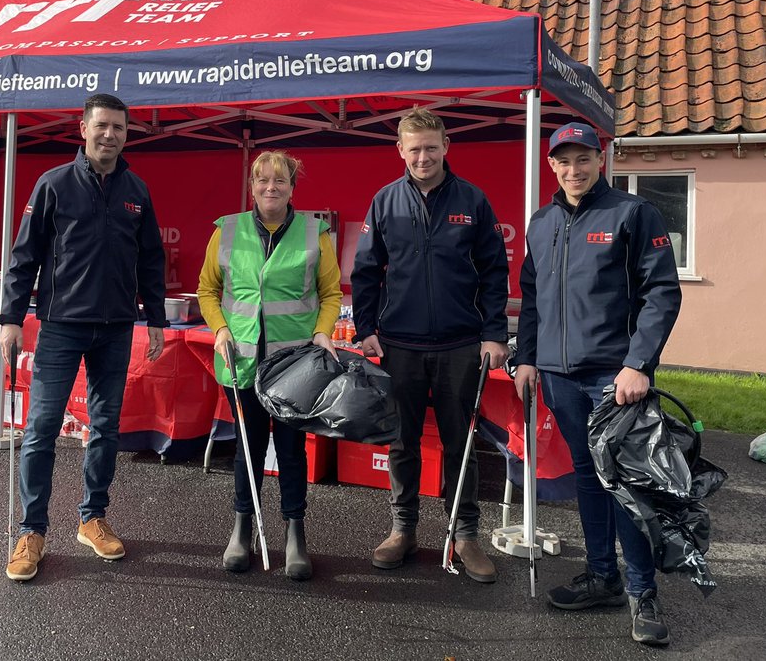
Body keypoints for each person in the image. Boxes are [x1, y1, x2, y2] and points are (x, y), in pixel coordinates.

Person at [514, 121, 682, 647]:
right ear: (552, 165)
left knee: (625, 482)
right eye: (563, 160)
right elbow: (534, 297)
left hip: (615, 376)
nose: (573, 169)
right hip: (560, 376)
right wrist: (526, 359)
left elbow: (662, 293)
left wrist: (638, 363)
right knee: (588, 478)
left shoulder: (632, 213)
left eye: (582, 158)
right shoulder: (540, 223)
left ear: (600, 158)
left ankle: (641, 591)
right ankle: (602, 577)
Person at [0, 93, 167, 582]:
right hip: (61, 326)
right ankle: (31, 531)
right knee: (42, 428)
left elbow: (151, 259)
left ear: (126, 134)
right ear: (83, 128)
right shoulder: (53, 185)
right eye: (102, 126)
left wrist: (155, 315)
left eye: (119, 127)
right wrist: (11, 316)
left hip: (116, 327)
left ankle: (92, 518)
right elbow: (23, 255)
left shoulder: (137, 189)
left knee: (106, 427)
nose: (110, 135)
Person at [351, 107, 509, 582]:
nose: (423, 156)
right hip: (399, 344)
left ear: (446, 148)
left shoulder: (473, 201)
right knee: (403, 442)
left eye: (431, 148)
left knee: (462, 443)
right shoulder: (384, 201)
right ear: (400, 150)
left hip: (460, 344)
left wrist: (494, 332)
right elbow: (365, 271)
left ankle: (465, 535)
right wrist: (366, 328)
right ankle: (403, 529)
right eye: (414, 148)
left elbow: (495, 272)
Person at [197, 150, 342, 580]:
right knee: (248, 448)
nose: (270, 188)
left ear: (292, 188)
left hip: (294, 366)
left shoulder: (316, 233)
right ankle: (243, 527)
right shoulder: (227, 231)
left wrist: (322, 331)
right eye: (262, 181)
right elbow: (208, 289)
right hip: (239, 362)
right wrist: (220, 328)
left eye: (279, 181)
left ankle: (295, 533)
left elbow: (330, 293)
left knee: (294, 452)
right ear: (253, 187)